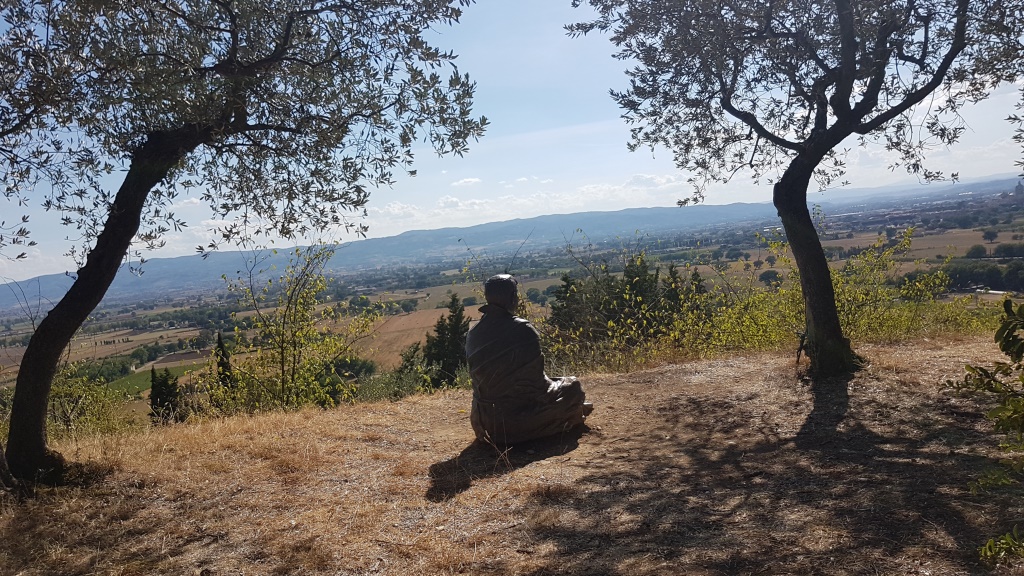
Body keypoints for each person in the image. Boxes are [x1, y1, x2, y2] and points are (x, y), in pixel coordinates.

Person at [465, 274, 593, 446]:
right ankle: (571, 414)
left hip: (481, 421)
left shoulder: (473, 331)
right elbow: (537, 385)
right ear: (512, 298)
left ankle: (570, 412)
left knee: (562, 387)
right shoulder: (522, 328)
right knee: (572, 387)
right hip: (513, 420)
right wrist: (561, 388)